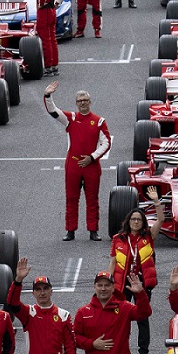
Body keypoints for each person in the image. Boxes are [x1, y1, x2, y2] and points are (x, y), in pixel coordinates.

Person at [43, 83, 111, 240]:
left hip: (91, 165)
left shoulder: (99, 121)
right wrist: (48, 95)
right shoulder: (70, 119)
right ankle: (70, 231)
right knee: (71, 198)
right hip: (73, 165)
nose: (83, 103)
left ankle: (93, 231)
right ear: (76, 103)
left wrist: (92, 157)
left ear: (90, 102)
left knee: (92, 199)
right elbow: (53, 111)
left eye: (85, 100)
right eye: (80, 101)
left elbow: (106, 142)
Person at [110, 207, 160, 354]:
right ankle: (120, 348)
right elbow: (113, 261)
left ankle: (143, 351)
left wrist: (157, 202)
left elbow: (161, 220)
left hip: (141, 281)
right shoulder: (118, 238)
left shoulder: (148, 236)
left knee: (142, 316)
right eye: (133, 219)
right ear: (128, 222)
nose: (136, 222)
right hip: (123, 282)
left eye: (139, 219)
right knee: (121, 316)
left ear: (143, 222)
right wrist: (108, 280)